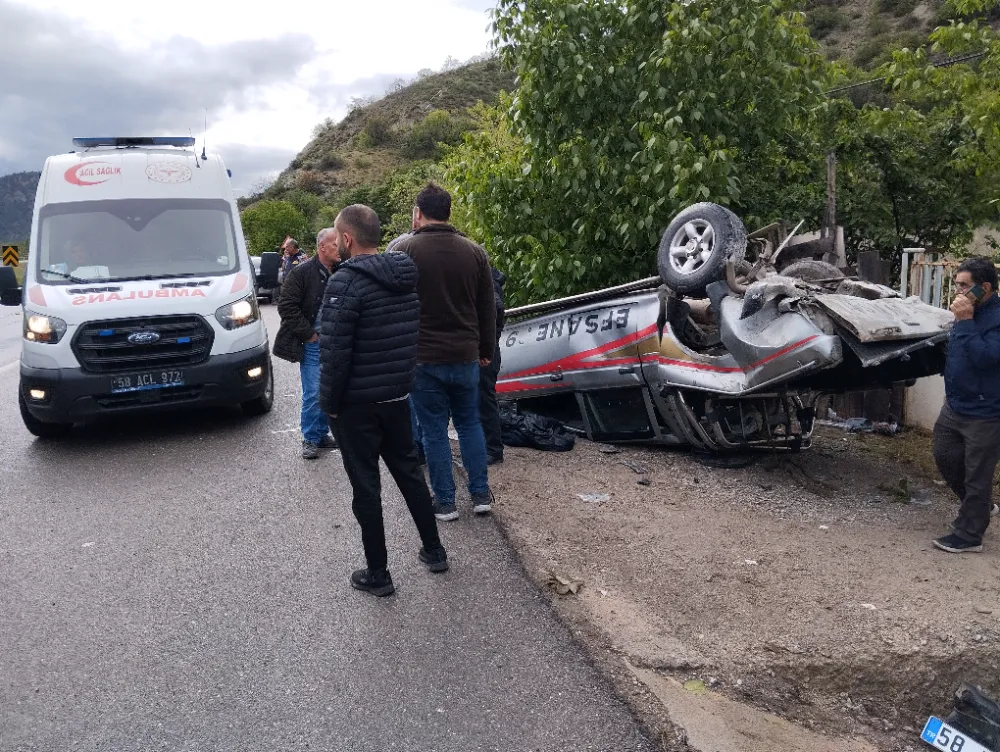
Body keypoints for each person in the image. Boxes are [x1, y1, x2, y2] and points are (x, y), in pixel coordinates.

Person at [318, 204, 449, 597]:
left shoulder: (344, 283)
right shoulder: (405, 277)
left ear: (346, 239)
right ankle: (435, 550)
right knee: (409, 474)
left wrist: (330, 404)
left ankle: (379, 573)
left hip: (357, 404)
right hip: (396, 396)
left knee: (366, 488)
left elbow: (335, 354)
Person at [394, 183, 497, 521]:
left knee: (434, 431)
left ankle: (446, 502)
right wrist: (485, 350)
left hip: (423, 360)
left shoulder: (405, 251)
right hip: (467, 356)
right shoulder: (475, 252)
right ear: (449, 212)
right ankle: (481, 494)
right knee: (470, 424)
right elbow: (487, 308)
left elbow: (394, 307)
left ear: (418, 213)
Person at [932, 257, 1000, 553]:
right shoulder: (967, 312)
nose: (958, 292)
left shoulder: (993, 318)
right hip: (955, 404)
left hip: (986, 411)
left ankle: (969, 535)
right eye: (956, 284)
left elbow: (986, 358)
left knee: (977, 475)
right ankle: (982, 507)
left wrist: (966, 321)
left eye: (964, 285)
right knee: (944, 456)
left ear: (984, 287)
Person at [273, 228, 339, 459]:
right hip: (314, 343)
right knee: (313, 392)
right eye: (335, 244)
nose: (339, 248)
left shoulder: (343, 269)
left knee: (331, 390)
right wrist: (309, 334)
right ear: (322, 246)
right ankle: (310, 438)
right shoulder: (302, 272)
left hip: (338, 343)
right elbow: (286, 306)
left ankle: (321, 434)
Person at [480, 266, 506, 465]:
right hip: (488, 348)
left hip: (484, 351)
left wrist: (486, 346)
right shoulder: (488, 276)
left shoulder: (484, 278)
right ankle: (491, 447)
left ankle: (493, 449)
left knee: (484, 399)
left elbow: (494, 311)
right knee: (484, 398)